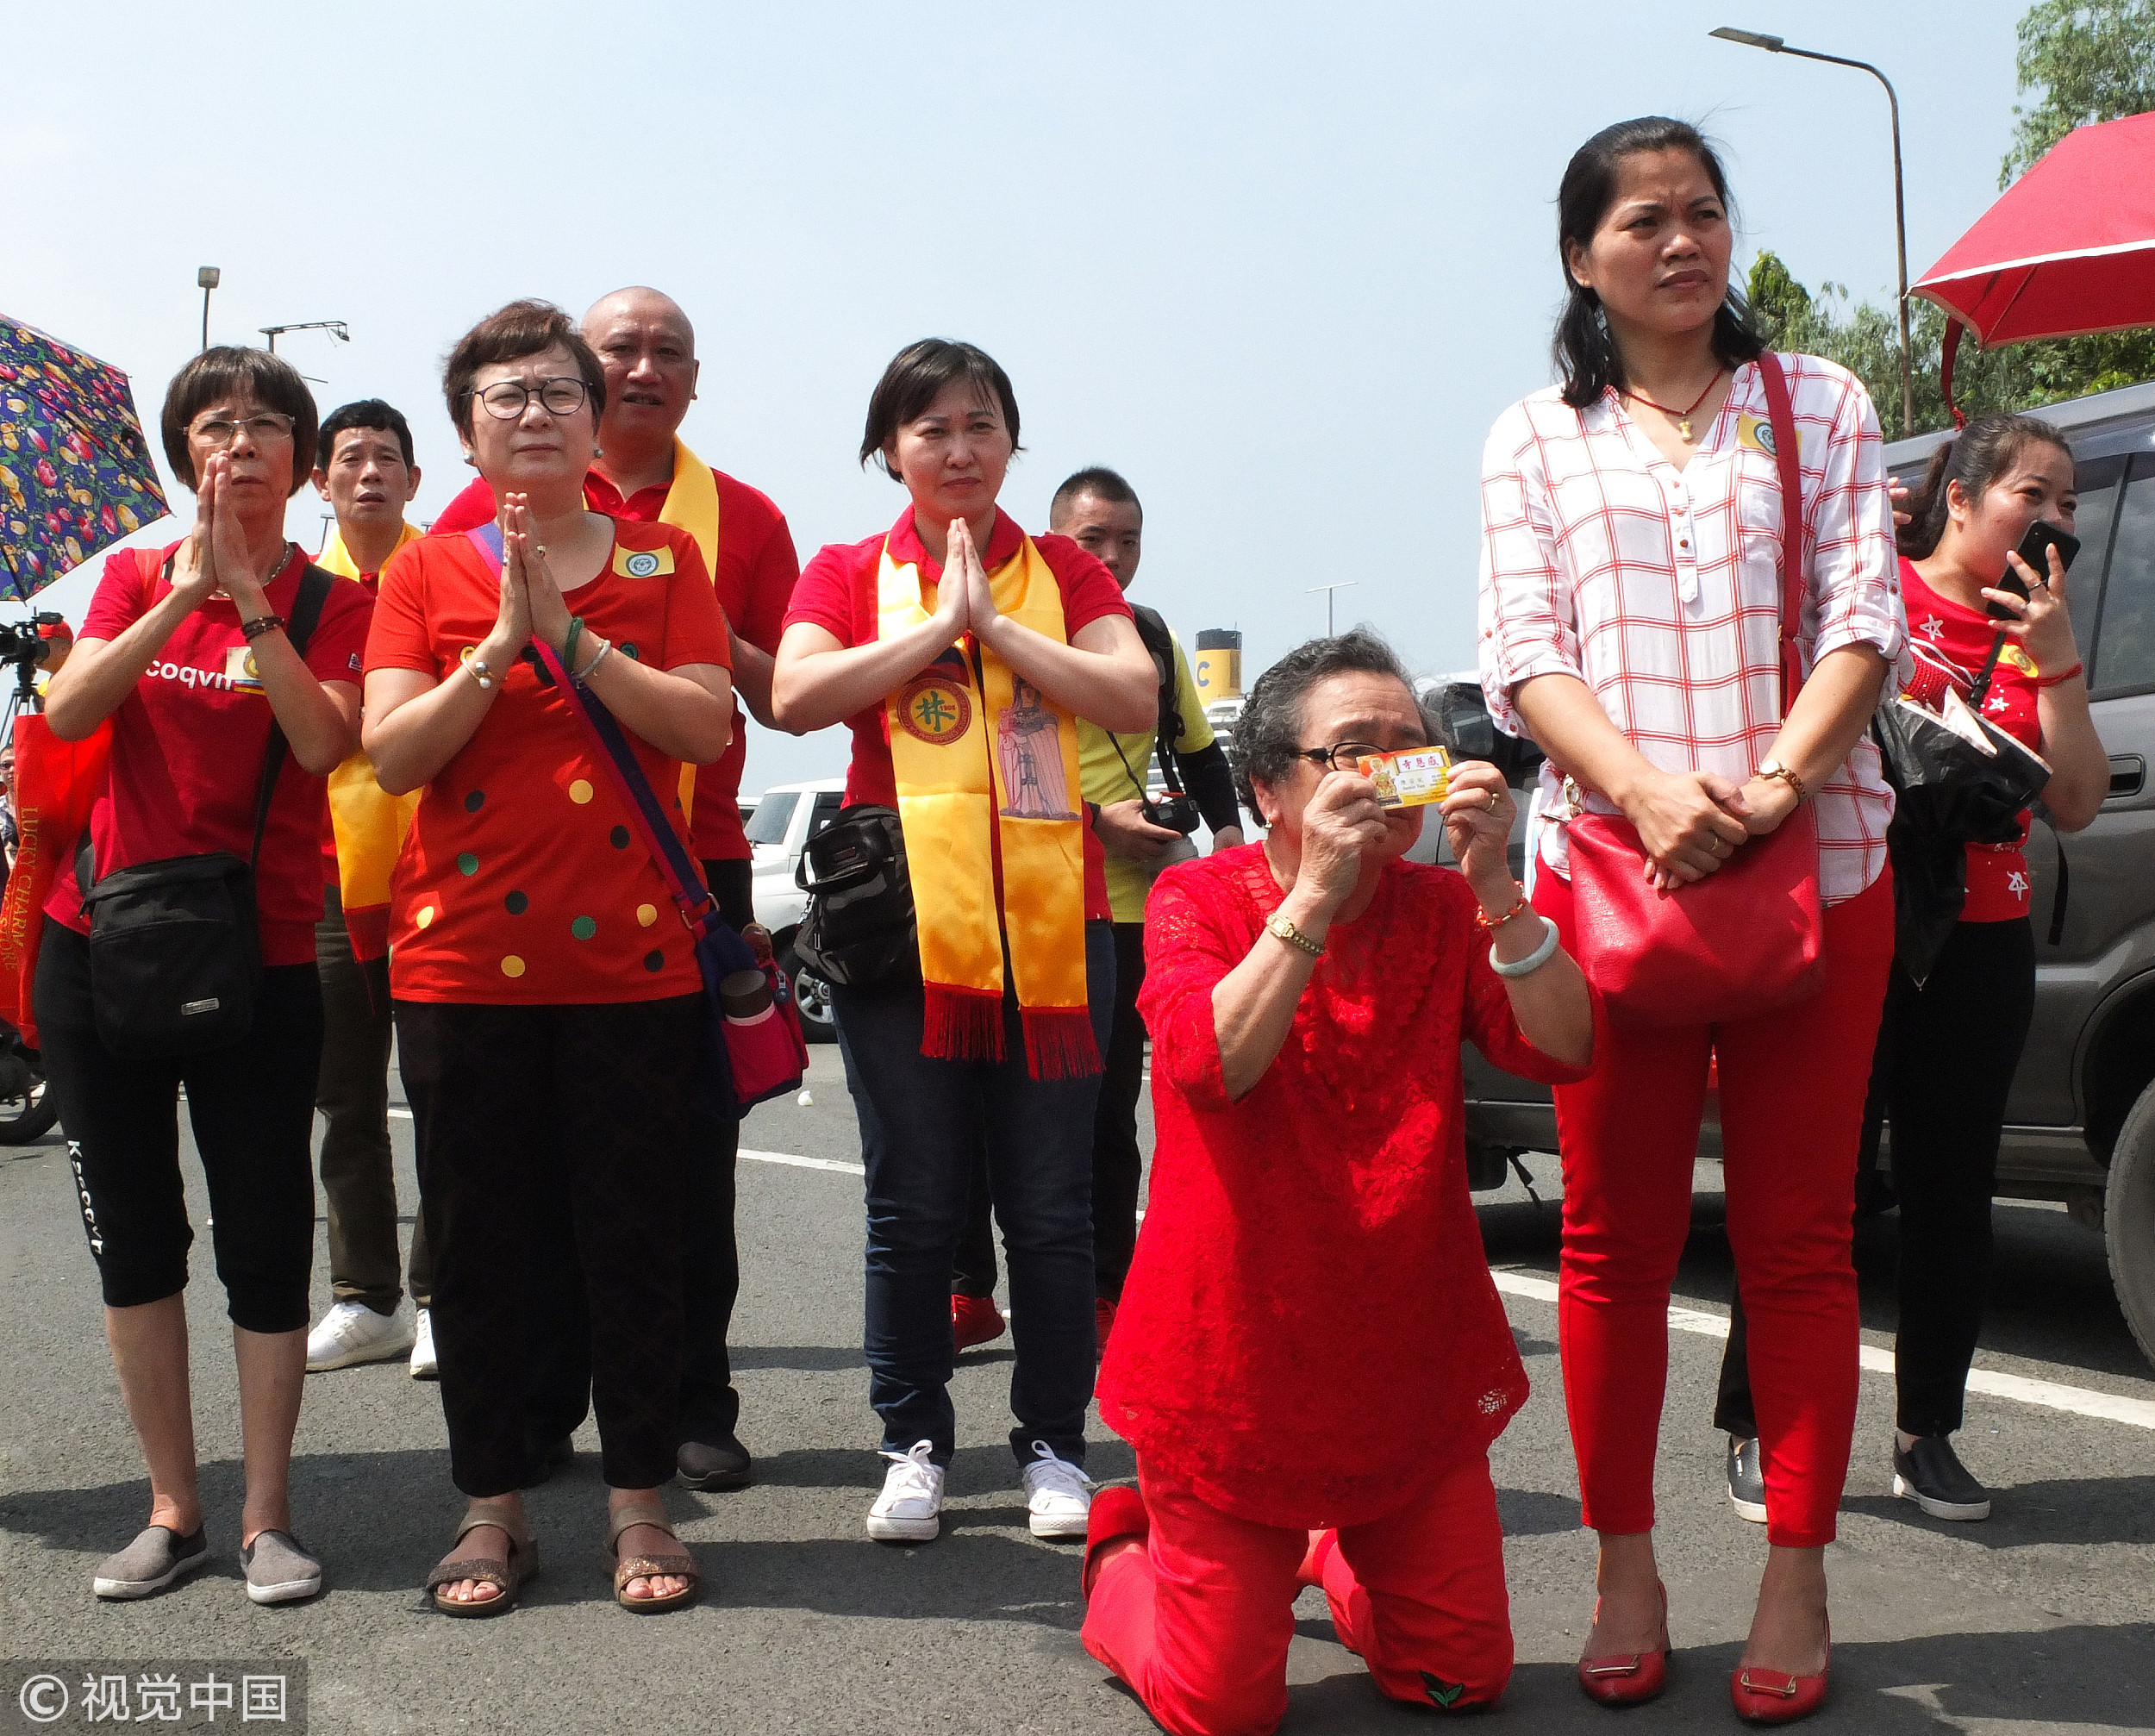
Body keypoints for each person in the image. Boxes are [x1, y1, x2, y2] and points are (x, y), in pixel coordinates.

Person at [1478, 117, 1904, 1721]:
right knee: (1609, 1244)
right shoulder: (1537, 434)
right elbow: (1525, 650)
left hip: (1825, 864)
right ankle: (1623, 1557)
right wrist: (1652, 797)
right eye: (1646, 219)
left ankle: (1796, 1562)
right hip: (1617, 880)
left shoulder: (1823, 402)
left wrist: (1777, 785)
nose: (1683, 241)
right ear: (1585, 255)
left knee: (1798, 1242)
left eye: (1706, 213)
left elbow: (1866, 617)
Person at [1081, 630, 1597, 1734]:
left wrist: (1498, 881)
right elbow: (1207, 1065)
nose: (1387, 769)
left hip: (1400, 1354)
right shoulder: (1196, 902)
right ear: (1269, 787)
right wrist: (1313, 893)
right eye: (1349, 751)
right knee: (1223, 1709)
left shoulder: (1444, 906)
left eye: (1409, 745)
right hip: (1230, 1362)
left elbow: (1565, 1047)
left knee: (1460, 1678)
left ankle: (1331, 1556)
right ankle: (1127, 1559)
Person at [363, 299, 734, 1614]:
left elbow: (703, 722)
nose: (535, 410)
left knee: (634, 1235)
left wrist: (574, 640)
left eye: (557, 391)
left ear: (594, 419)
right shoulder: (423, 574)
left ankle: (641, 1503)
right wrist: (502, 651)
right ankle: (494, 1505)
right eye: (506, 394)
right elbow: (393, 752)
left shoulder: (662, 559)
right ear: (466, 431)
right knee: (478, 1246)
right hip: (460, 968)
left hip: (633, 966)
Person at [771, 338, 1155, 1544]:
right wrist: (939, 627)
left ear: (1010, 444)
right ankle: (914, 1439)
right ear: (891, 448)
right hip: (908, 941)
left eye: (981, 424)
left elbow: (1132, 693)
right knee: (914, 1202)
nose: (957, 447)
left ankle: (1053, 1442)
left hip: (1056, 928)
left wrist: (994, 622)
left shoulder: (1063, 573)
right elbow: (794, 695)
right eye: (930, 427)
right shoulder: (843, 570)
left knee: (1050, 1204)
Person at [431, 286, 798, 1492]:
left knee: (678, 1161)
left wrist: (630, 621)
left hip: (687, 859)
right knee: (520, 1184)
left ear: (690, 381)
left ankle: (691, 1400)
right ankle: (535, 1413)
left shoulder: (735, 521)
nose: (640, 367)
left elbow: (776, 691)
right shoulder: (468, 523)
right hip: (497, 889)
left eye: (664, 353)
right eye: (616, 349)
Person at [1714, 415, 2108, 1526]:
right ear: (1964, 498)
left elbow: (2073, 800)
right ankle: (1760, 1422)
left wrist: (2058, 655)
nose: (2055, 521)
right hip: (1859, 911)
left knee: (1953, 1196)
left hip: (1982, 940)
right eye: (2035, 494)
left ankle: (1924, 1432)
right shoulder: (1874, 589)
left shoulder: (2045, 633)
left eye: (2071, 505)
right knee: (1818, 1184)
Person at [39, 347, 375, 1605]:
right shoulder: (130, 574)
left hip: (266, 954)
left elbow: (324, 737)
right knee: (135, 1238)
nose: (241, 444)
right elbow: (72, 714)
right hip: (101, 948)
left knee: (266, 1238)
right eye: (217, 425)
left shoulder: (334, 599)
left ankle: (266, 1514)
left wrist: (255, 606)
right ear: (188, 453)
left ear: (302, 460)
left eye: (267, 426)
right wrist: (180, 601)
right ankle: (173, 1505)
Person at [950, 467, 1244, 1353]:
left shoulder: (1146, 637)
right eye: (1091, 540)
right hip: (1015, 903)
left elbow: (1199, 754)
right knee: (980, 1107)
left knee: (1106, 1114)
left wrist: (1231, 846)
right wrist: (1090, 824)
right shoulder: (1007, 628)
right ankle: (968, 1288)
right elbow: (966, 771)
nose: (1112, 557)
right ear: (1051, 541)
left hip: (1127, 915)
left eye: (1128, 539)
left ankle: (1105, 1292)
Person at [300, 400, 431, 1377]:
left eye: (389, 457)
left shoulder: (449, 573)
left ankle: (442, 1296)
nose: (371, 473)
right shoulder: (296, 597)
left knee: (447, 1097)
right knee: (345, 1100)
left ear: (415, 480)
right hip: (327, 879)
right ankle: (365, 1296)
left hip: (442, 877)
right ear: (322, 482)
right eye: (351, 458)